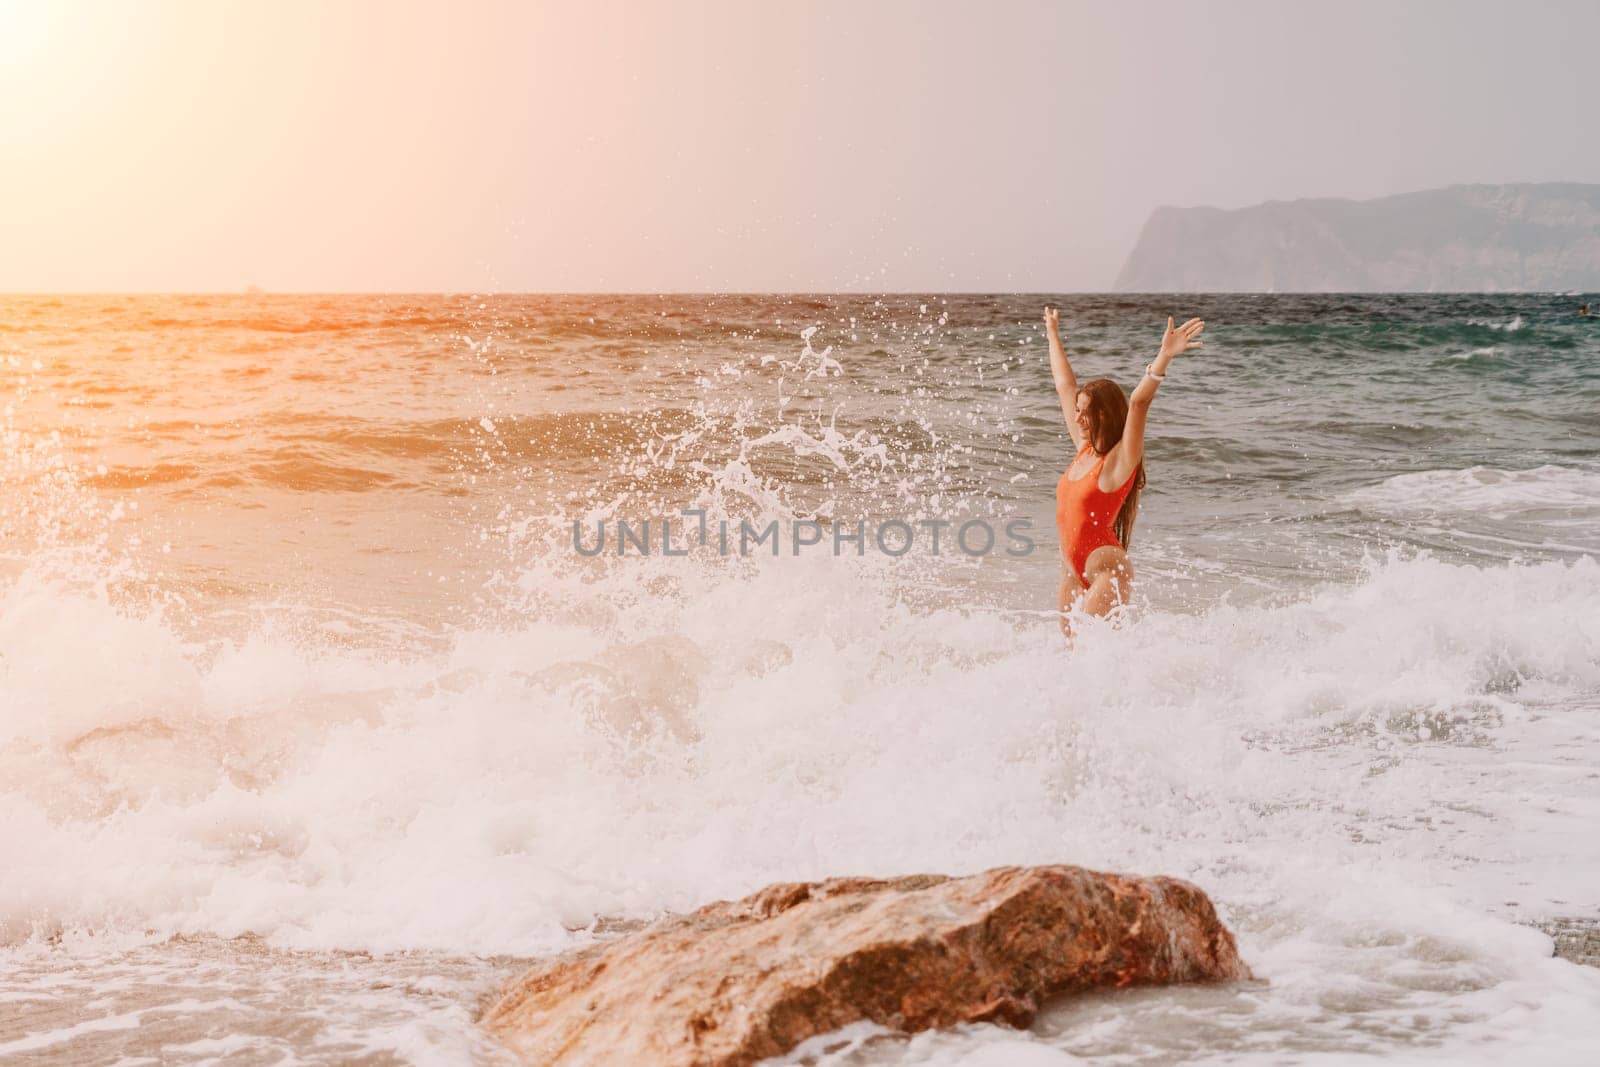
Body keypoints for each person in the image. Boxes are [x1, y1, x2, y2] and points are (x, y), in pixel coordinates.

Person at [1043, 307, 1204, 637]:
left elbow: (1139, 402)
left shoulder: (1120, 459)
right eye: (1077, 412)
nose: (1077, 419)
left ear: (1105, 415)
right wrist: (1052, 335)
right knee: (1072, 660)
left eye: (1085, 413)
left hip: (1107, 570)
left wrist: (1164, 357)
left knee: (1090, 650)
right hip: (1072, 572)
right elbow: (1064, 385)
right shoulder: (1084, 450)